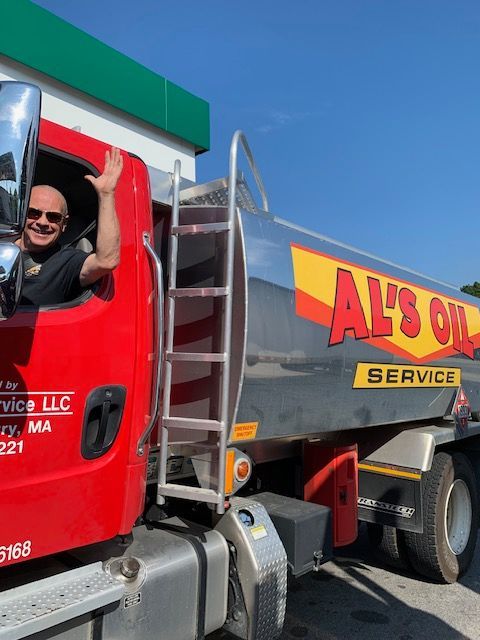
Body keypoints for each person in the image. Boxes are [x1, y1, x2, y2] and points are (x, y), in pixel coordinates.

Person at [17, 147, 123, 306]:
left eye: (53, 217)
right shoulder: (5, 244)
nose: (43, 222)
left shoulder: (67, 261)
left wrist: (106, 194)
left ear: (64, 224)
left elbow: (106, 261)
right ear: (21, 215)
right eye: (34, 213)